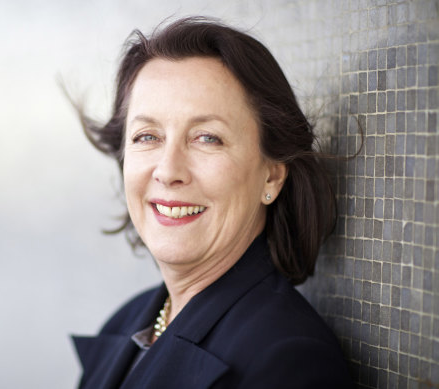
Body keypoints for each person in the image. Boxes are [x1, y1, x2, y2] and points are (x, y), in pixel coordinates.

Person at [71, 17, 352, 388]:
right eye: (147, 136)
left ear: (271, 176)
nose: (169, 171)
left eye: (207, 138)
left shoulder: (289, 361)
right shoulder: (126, 322)